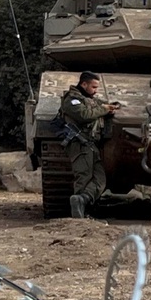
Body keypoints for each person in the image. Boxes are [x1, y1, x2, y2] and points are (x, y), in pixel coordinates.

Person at [58, 70, 120, 218]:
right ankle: (80, 214)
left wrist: (111, 106)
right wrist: (104, 109)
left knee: (100, 179)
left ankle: (83, 200)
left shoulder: (88, 98)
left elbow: (101, 105)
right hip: (80, 144)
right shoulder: (72, 99)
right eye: (93, 87)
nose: (95, 90)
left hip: (91, 145)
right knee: (83, 177)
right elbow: (84, 115)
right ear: (83, 84)